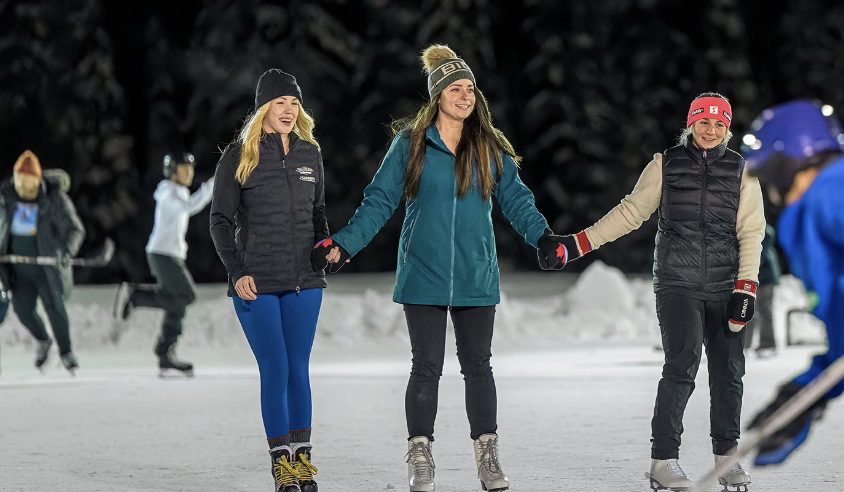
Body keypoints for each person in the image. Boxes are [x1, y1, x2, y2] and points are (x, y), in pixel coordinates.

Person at [313, 44, 562, 492]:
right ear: (438, 94)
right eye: (455, 88)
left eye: (470, 88)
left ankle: (487, 456)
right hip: (423, 273)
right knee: (425, 368)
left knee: (478, 367)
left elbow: (517, 199)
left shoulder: (486, 146)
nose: (465, 95)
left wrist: (541, 236)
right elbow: (380, 201)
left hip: (474, 273)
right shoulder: (410, 145)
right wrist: (344, 245)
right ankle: (421, 454)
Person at [553, 93, 765, 491]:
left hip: (725, 285)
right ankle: (664, 461)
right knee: (681, 366)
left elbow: (751, 232)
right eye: (704, 122)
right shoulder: (665, 165)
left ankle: (726, 459)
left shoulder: (742, 172)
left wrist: (746, 287)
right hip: (677, 282)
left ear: (728, 129)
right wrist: (579, 243)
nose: (711, 130)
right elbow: (630, 212)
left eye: (719, 124)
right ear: (691, 124)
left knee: (729, 372)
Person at [210, 68, 326, 492]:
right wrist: (236, 269)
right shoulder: (238, 155)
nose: (289, 110)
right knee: (274, 368)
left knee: (299, 369)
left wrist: (324, 247)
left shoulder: (310, 153)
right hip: (255, 282)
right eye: (280, 102)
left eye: (294, 103)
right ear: (264, 107)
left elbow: (317, 215)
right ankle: (281, 465)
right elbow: (219, 221)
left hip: (304, 281)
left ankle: (303, 462)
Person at [740, 99, 844, 466]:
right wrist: (806, 392)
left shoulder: (832, 188)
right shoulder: (817, 205)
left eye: (768, 176)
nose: (771, 192)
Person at [112, 150, 215, 377]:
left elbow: (190, 205)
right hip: (162, 254)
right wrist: (212, 185)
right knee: (186, 295)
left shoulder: (178, 192)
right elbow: (190, 206)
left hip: (171, 255)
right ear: (171, 172)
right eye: (183, 169)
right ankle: (136, 295)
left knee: (177, 303)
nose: (188, 173)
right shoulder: (169, 192)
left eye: (190, 169)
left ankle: (165, 354)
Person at [0, 150, 85, 374]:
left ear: (38, 180)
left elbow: (75, 230)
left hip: (46, 269)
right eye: (19, 181)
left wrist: (66, 250)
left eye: (29, 182)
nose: (24, 187)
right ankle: (43, 340)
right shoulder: (7, 199)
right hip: (19, 270)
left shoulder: (54, 200)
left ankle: (66, 352)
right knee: (22, 309)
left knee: (55, 308)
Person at [743, 223, 781, 358]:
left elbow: (761, 253)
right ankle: (747, 344)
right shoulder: (758, 228)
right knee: (751, 310)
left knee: (763, 310)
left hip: (765, 277)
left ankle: (767, 344)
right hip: (757, 276)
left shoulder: (762, 229)